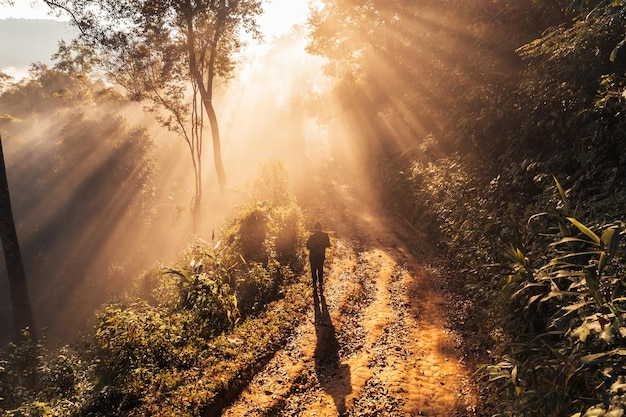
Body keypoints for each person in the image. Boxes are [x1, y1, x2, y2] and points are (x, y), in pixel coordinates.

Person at [306, 222, 331, 293]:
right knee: (320, 269)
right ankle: (320, 283)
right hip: (321, 255)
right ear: (321, 228)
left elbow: (307, 246)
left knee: (313, 270)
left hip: (313, 256)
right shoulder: (325, 236)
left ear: (314, 228)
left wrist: (313, 246)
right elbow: (328, 245)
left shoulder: (311, 237)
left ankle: (314, 284)